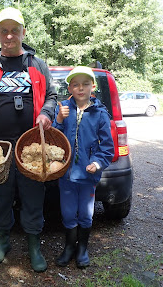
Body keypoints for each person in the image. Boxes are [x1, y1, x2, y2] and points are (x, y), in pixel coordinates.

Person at [0, 7, 57, 272]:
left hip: (31, 147)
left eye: (14, 30)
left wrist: (46, 113)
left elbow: (52, 95)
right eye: (4, 31)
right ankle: (3, 242)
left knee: (33, 197)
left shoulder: (36, 64)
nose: (9, 36)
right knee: (1, 198)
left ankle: (34, 246)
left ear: (23, 33)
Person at [52, 66, 114, 268]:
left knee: (86, 214)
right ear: (69, 88)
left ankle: (82, 249)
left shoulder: (100, 113)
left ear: (92, 87)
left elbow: (106, 147)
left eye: (85, 84)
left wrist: (96, 163)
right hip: (66, 174)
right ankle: (69, 247)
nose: (80, 88)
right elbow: (54, 139)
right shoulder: (62, 108)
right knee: (68, 213)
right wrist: (59, 120)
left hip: (88, 175)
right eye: (76, 84)